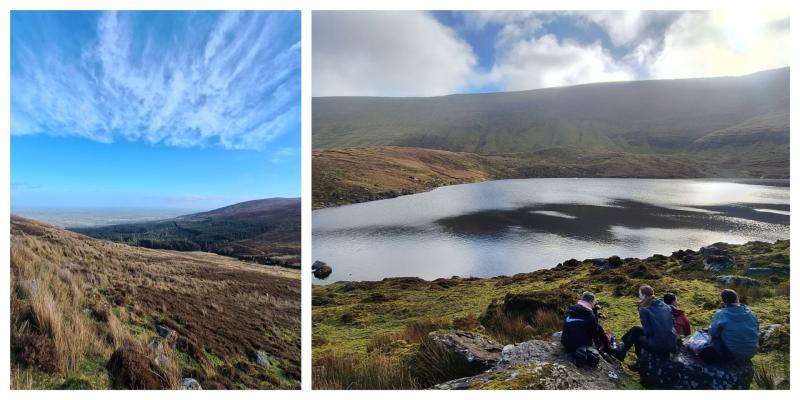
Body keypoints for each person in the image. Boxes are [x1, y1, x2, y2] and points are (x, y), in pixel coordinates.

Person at [616, 285, 677, 361]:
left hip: (660, 344)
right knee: (636, 329)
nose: (639, 296)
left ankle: (638, 361)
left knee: (637, 336)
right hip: (672, 341)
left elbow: (648, 332)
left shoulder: (644, 310)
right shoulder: (665, 305)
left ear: (644, 295)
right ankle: (621, 347)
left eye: (640, 294)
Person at [698, 289, 760, 363]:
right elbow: (757, 329)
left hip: (732, 354)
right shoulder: (751, 313)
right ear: (737, 298)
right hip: (751, 353)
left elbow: (712, 333)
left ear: (724, 301)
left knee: (713, 340)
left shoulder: (721, 314)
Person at [561, 291, 612, 356]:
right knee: (598, 328)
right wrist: (595, 312)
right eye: (594, 301)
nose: (594, 303)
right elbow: (594, 334)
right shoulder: (589, 315)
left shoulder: (571, 309)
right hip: (577, 347)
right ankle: (606, 348)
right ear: (590, 301)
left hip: (565, 342)